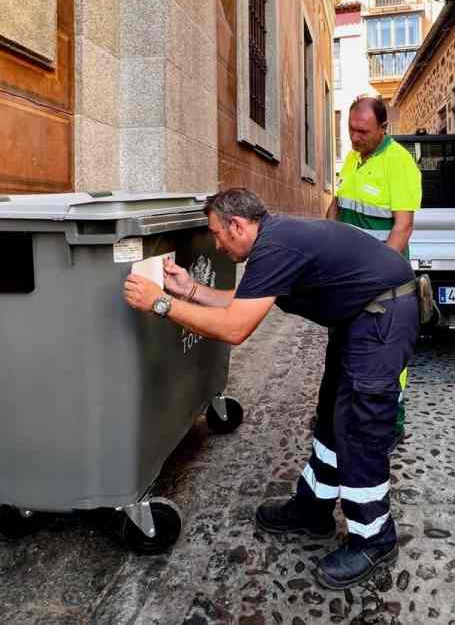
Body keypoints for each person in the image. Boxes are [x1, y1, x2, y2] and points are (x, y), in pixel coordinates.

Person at [122, 188, 419, 590]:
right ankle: (313, 509)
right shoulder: (275, 240)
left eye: (216, 234)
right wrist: (187, 290)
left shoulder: (275, 247)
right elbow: (244, 302)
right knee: (332, 416)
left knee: (361, 429)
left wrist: (160, 304)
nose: (216, 244)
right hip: (359, 317)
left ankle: (375, 540)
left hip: (381, 319)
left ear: (237, 225)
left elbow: (235, 328)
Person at [328, 95, 422, 447]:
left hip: (382, 283)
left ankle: (390, 425)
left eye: (363, 131)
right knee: (345, 349)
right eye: (350, 129)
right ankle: (340, 418)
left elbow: (403, 228)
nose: (355, 137)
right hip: (348, 279)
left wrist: (374, 279)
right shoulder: (352, 159)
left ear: (383, 127)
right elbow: (338, 206)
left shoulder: (399, 164)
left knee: (384, 357)